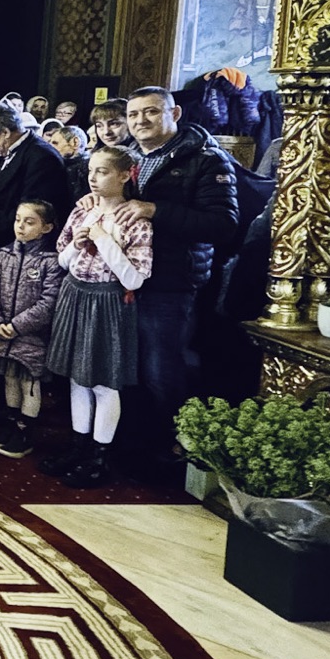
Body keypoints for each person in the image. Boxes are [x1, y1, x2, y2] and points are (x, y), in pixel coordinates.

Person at [115, 86, 239, 477]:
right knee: (126, 366)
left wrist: (156, 210)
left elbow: (223, 225)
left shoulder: (205, 159)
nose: (140, 121)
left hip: (171, 281)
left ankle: (171, 449)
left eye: (150, 112)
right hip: (125, 277)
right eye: (133, 115)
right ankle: (131, 444)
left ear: (174, 113)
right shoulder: (127, 156)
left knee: (162, 369)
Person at [43, 147, 154, 488]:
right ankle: (78, 446)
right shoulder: (82, 210)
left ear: (124, 175)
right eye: (91, 171)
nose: (93, 178)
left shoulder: (135, 220)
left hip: (107, 301)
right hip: (75, 293)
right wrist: (76, 245)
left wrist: (104, 240)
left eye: (102, 171)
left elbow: (135, 278)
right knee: (77, 377)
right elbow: (62, 260)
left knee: (103, 382)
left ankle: (98, 456)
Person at [0, 104, 70, 406]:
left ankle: (14, 406)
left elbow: (32, 216)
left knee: (15, 331)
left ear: (4, 132)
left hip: (25, 259)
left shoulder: (41, 158)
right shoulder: (9, 154)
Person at [0, 199, 64, 459]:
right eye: (18, 220)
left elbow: (49, 302)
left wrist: (17, 326)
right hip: (2, 333)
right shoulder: (5, 254)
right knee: (10, 379)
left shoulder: (51, 261)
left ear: (46, 228)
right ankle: (12, 422)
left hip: (30, 337)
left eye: (29, 222)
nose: (21, 226)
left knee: (29, 382)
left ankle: (26, 431)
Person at [45, 121, 90, 200]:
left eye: (55, 143)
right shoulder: (58, 166)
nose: (50, 147)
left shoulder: (87, 169)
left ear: (75, 142)